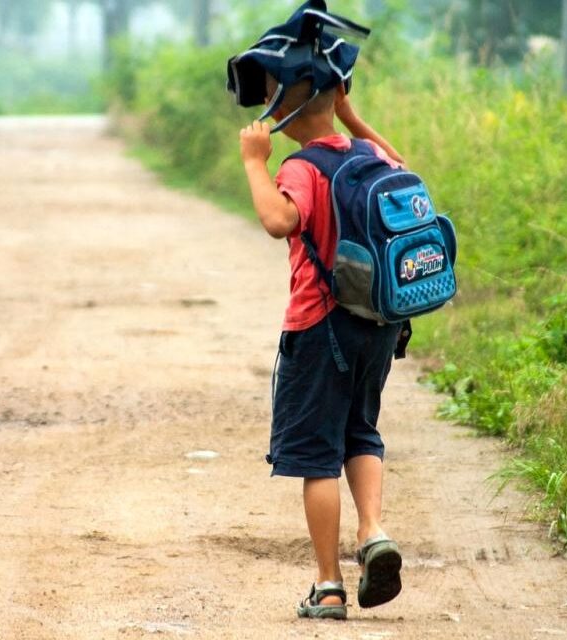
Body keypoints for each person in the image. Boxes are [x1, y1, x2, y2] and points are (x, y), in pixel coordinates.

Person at [235, 25, 408, 620]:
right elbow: (399, 162)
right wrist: (352, 116)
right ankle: (374, 530)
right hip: (377, 325)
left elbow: (279, 221)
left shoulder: (300, 168)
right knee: (361, 434)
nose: (264, 105)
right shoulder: (367, 155)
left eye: (268, 96)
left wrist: (256, 162)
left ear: (284, 105)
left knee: (314, 456)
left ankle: (329, 585)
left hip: (320, 329)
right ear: (337, 96)